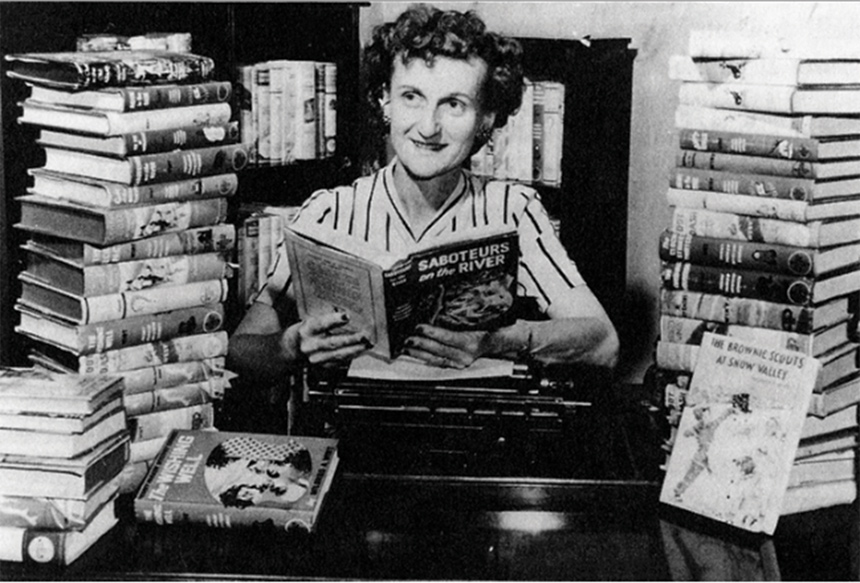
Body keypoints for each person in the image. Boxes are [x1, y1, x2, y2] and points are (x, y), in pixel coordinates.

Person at [228, 4, 619, 384]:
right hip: (355, 434)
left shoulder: (512, 210)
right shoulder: (328, 212)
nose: (428, 127)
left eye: (453, 104)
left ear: (486, 118)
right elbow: (241, 350)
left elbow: (604, 343)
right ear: (385, 101)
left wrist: (500, 341)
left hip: (475, 434)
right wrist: (290, 344)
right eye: (411, 97)